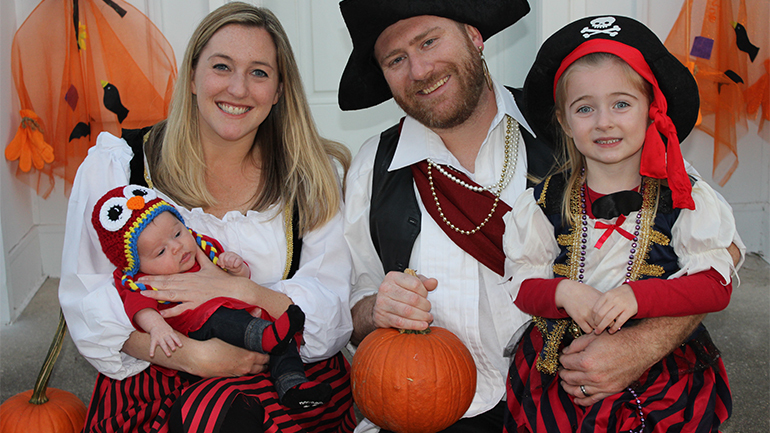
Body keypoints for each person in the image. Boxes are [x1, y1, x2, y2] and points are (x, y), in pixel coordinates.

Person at [337, 1, 743, 432]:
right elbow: (352, 306)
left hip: (565, 404)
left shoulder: (584, 127)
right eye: (396, 59)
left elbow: (719, 255)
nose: (419, 70)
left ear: (474, 36)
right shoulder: (373, 168)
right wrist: (377, 310)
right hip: (432, 408)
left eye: (429, 41)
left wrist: (640, 347)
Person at [58, 3, 356, 432]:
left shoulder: (312, 176)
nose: (238, 88)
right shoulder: (120, 165)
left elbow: (330, 311)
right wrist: (193, 356)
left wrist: (240, 290)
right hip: (159, 372)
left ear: (279, 90)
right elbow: (86, 302)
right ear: (193, 76)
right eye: (222, 66)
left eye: (259, 72)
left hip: (279, 369)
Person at [502, 15, 742, 432]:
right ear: (564, 121)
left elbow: (715, 286)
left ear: (652, 110)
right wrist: (562, 291)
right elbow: (521, 285)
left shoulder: (684, 196)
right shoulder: (541, 202)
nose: (604, 121)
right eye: (585, 108)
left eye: (621, 104)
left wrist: (640, 296)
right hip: (562, 372)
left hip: (662, 376)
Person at [92, 184, 331, 409]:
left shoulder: (201, 247)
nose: (176, 247)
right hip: (198, 325)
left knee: (283, 336)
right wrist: (157, 328)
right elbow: (140, 308)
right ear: (137, 264)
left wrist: (235, 267)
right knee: (219, 317)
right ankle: (266, 336)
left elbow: (239, 281)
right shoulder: (141, 281)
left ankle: (292, 385)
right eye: (161, 251)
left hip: (244, 318)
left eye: (177, 233)